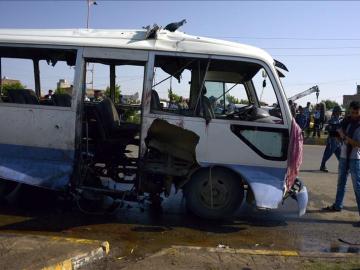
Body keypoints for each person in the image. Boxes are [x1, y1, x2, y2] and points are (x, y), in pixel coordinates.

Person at [323, 101, 360, 227]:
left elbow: (357, 144)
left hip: (355, 158)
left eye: (357, 112)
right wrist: (337, 136)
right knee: (341, 182)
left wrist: (344, 137)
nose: (354, 115)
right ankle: (337, 205)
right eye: (352, 112)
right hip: (344, 156)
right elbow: (341, 137)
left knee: (357, 188)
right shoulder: (346, 122)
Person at [320, 106, 342, 172]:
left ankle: (343, 168)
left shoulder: (339, 119)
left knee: (340, 155)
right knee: (327, 154)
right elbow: (329, 130)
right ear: (335, 112)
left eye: (339, 111)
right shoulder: (332, 120)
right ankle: (322, 166)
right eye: (338, 111)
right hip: (332, 140)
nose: (339, 113)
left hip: (338, 141)